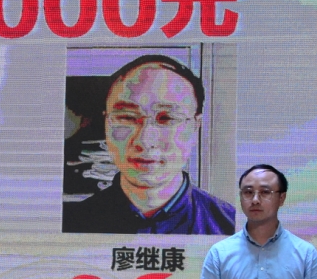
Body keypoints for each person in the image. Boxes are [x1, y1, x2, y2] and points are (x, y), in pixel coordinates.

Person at [62, 55, 234, 234]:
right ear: (106, 123)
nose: (144, 141)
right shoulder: (70, 225)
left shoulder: (231, 229)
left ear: (195, 127)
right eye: (126, 117)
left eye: (166, 118)